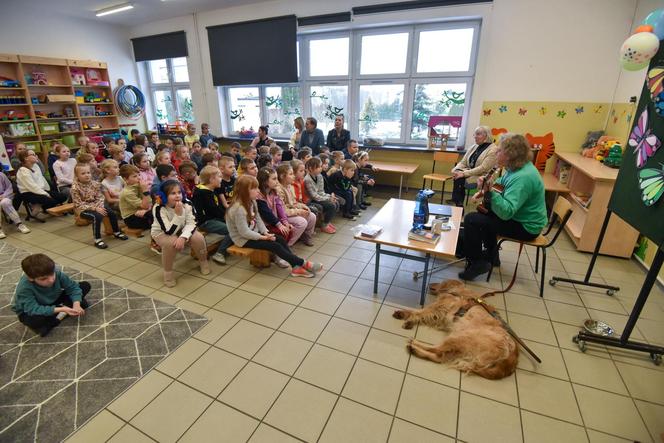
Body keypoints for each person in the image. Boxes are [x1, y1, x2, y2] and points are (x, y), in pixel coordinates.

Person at [460, 133, 548, 281]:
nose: (496, 152)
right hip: (520, 218)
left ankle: (477, 262)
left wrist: (490, 193)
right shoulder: (517, 168)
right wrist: (488, 189)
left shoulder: (523, 177)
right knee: (483, 214)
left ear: (510, 155)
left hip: (527, 227)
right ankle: (492, 256)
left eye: (499, 150)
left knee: (472, 220)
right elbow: (503, 184)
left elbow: (506, 212)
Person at [226, 175, 322, 278]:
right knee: (274, 245)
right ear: (244, 191)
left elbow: (258, 219)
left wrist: (265, 232)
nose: (258, 191)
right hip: (242, 239)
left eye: (257, 187)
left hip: (254, 233)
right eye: (254, 188)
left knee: (279, 239)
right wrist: (263, 237)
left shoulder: (252, 201)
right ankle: (304, 263)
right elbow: (244, 232)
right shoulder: (238, 208)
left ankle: (296, 267)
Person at [12, 253, 91, 337]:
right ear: (31, 278)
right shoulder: (24, 288)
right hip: (31, 309)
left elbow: (73, 288)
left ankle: (58, 315)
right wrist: (62, 308)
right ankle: (62, 311)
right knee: (35, 321)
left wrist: (76, 304)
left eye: (52, 274)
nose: (51, 280)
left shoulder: (56, 273)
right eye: (43, 279)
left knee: (85, 285)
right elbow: (32, 309)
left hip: (53, 300)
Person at [152, 180, 210, 287]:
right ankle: (168, 273)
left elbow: (192, 223)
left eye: (179, 192)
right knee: (171, 243)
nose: (177, 196)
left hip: (182, 229)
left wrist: (183, 237)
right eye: (173, 193)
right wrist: (178, 215)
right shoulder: (159, 207)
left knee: (198, 238)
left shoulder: (187, 203)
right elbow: (169, 231)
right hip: (161, 232)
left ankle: (203, 261)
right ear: (164, 196)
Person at [71, 163, 128, 249]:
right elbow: (78, 204)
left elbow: (100, 197)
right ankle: (97, 239)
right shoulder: (75, 188)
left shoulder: (95, 184)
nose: (87, 175)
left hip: (98, 206)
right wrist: (94, 208)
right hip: (83, 209)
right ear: (77, 175)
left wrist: (99, 207)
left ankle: (116, 232)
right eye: (83, 173)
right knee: (97, 217)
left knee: (111, 213)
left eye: (88, 173)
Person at [258, 167, 314, 247]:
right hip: (265, 224)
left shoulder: (274, 191)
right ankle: (285, 247)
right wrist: (279, 224)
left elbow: (280, 207)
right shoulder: (260, 196)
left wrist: (285, 222)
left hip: (275, 219)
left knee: (311, 216)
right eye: (274, 179)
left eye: (277, 178)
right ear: (265, 181)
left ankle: (290, 245)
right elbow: (267, 213)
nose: (277, 181)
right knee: (289, 229)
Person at [448, 126, 499, 207]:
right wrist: (456, 169)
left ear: (486, 136)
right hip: (470, 173)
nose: (475, 136)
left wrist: (464, 173)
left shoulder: (493, 149)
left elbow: (483, 168)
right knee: (458, 175)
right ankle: (457, 202)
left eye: (478, 134)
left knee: (460, 178)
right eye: (475, 134)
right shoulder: (474, 146)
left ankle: (458, 203)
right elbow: (463, 162)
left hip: (483, 176)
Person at [192, 166, 233, 264]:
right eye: (219, 177)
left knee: (236, 224)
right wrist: (227, 216)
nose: (221, 179)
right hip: (206, 222)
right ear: (211, 179)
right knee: (232, 230)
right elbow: (214, 210)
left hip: (214, 218)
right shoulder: (203, 193)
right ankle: (220, 253)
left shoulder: (209, 189)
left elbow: (217, 209)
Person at [16, 150, 67, 215]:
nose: (36, 156)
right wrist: (46, 194)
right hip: (29, 193)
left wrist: (47, 192)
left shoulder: (35, 166)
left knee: (62, 197)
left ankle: (44, 207)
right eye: (33, 155)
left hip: (40, 190)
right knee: (52, 201)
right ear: (26, 158)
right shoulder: (23, 171)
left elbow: (41, 180)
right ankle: (39, 208)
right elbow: (32, 187)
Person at [303, 157, 337, 234]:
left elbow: (321, 191)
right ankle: (324, 225)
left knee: (335, 202)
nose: (320, 169)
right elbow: (314, 196)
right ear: (311, 168)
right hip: (312, 199)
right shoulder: (307, 179)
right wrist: (328, 199)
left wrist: (329, 196)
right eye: (318, 167)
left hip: (319, 197)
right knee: (331, 205)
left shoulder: (320, 176)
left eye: (320, 166)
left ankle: (326, 222)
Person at [119, 164, 153, 230]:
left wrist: (147, 209)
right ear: (125, 179)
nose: (139, 178)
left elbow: (149, 202)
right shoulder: (127, 192)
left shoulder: (137, 185)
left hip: (141, 211)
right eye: (135, 176)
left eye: (139, 175)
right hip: (131, 218)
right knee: (155, 217)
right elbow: (145, 206)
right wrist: (145, 190)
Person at [0, 171, 30, 236]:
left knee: (6, 203)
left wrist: (4, 195)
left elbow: (9, 187)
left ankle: (19, 224)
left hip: (3, 196)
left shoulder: (1, 175)